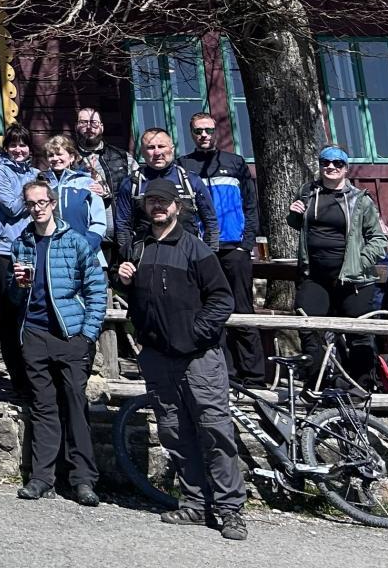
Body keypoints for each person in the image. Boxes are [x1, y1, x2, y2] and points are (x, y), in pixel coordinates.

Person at [117, 178, 244, 540]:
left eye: (164, 201)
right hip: (158, 357)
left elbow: (222, 299)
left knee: (215, 432)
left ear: (177, 206)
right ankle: (194, 504)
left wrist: (195, 334)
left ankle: (231, 509)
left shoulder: (195, 248)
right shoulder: (138, 248)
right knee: (174, 433)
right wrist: (122, 279)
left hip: (199, 359)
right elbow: (138, 299)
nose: (158, 206)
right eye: (152, 201)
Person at [3, 177, 106, 505]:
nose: (37, 209)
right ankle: (41, 477)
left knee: (76, 406)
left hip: (70, 335)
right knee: (43, 408)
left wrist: (88, 334)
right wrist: (16, 286)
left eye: (41, 203)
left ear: (52, 203)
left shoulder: (75, 241)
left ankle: (83, 480)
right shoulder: (22, 242)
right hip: (34, 334)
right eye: (31, 204)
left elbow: (96, 289)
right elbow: (14, 295)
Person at [287, 145, 388, 380]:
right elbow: (299, 225)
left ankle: (362, 386)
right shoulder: (307, 192)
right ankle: (318, 384)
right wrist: (294, 214)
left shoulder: (360, 200)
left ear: (346, 168)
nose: (330, 167)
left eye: (337, 163)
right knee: (309, 327)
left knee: (358, 332)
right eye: (325, 162)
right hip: (315, 275)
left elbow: (378, 237)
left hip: (354, 278)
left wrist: (361, 261)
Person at [182, 111, 264, 383]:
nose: (203, 135)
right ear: (191, 134)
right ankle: (224, 374)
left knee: (243, 310)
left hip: (234, 248)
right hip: (201, 250)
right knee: (210, 311)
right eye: (198, 131)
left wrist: (246, 244)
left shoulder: (235, 163)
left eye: (208, 130)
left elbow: (251, 206)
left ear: (216, 131)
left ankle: (254, 376)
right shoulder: (184, 166)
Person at [113, 129, 218, 261]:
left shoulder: (191, 180)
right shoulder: (132, 184)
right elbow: (122, 226)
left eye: (161, 146)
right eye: (150, 147)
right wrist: (128, 258)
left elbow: (210, 221)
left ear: (172, 149)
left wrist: (209, 257)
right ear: (142, 152)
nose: (157, 152)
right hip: (146, 256)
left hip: (187, 255)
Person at [0, 127, 35, 383]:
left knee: (27, 307)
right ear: (6, 147)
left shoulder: (36, 174)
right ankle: (16, 374)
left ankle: (30, 370)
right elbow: (14, 207)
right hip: (4, 250)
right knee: (10, 309)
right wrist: (35, 192)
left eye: (23, 145)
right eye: (13, 145)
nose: (18, 150)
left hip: (30, 248)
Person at [36, 134, 109, 247]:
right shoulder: (41, 184)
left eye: (59, 154)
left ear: (72, 157)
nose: (55, 158)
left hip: (85, 250)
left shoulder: (86, 182)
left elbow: (99, 221)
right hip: (52, 250)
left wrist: (86, 245)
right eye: (51, 155)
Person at [74, 106, 132, 208]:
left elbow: (138, 190)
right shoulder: (66, 158)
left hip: (116, 221)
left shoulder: (122, 157)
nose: (89, 127)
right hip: (80, 221)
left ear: (102, 127)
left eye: (94, 123)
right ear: (76, 127)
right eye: (83, 122)